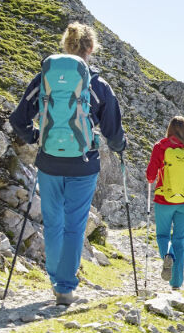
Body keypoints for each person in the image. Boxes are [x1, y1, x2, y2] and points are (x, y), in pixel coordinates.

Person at [7, 21, 124, 305]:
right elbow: (112, 131)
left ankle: (54, 280)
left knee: (53, 223)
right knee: (74, 226)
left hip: (49, 162)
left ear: (66, 45)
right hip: (83, 165)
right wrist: (121, 146)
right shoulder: (98, 85)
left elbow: (18, 119)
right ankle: (65, 287)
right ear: (91, 48)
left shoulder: (44, 79)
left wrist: (36, 136)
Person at [145, 115, 184, 290]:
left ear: (169, 129)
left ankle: (168, 255)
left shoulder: (160, 147)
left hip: (164, 201)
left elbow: (150, 175)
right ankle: (176, 283)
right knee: (179, 240)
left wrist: (153, 179)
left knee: (163, 236)